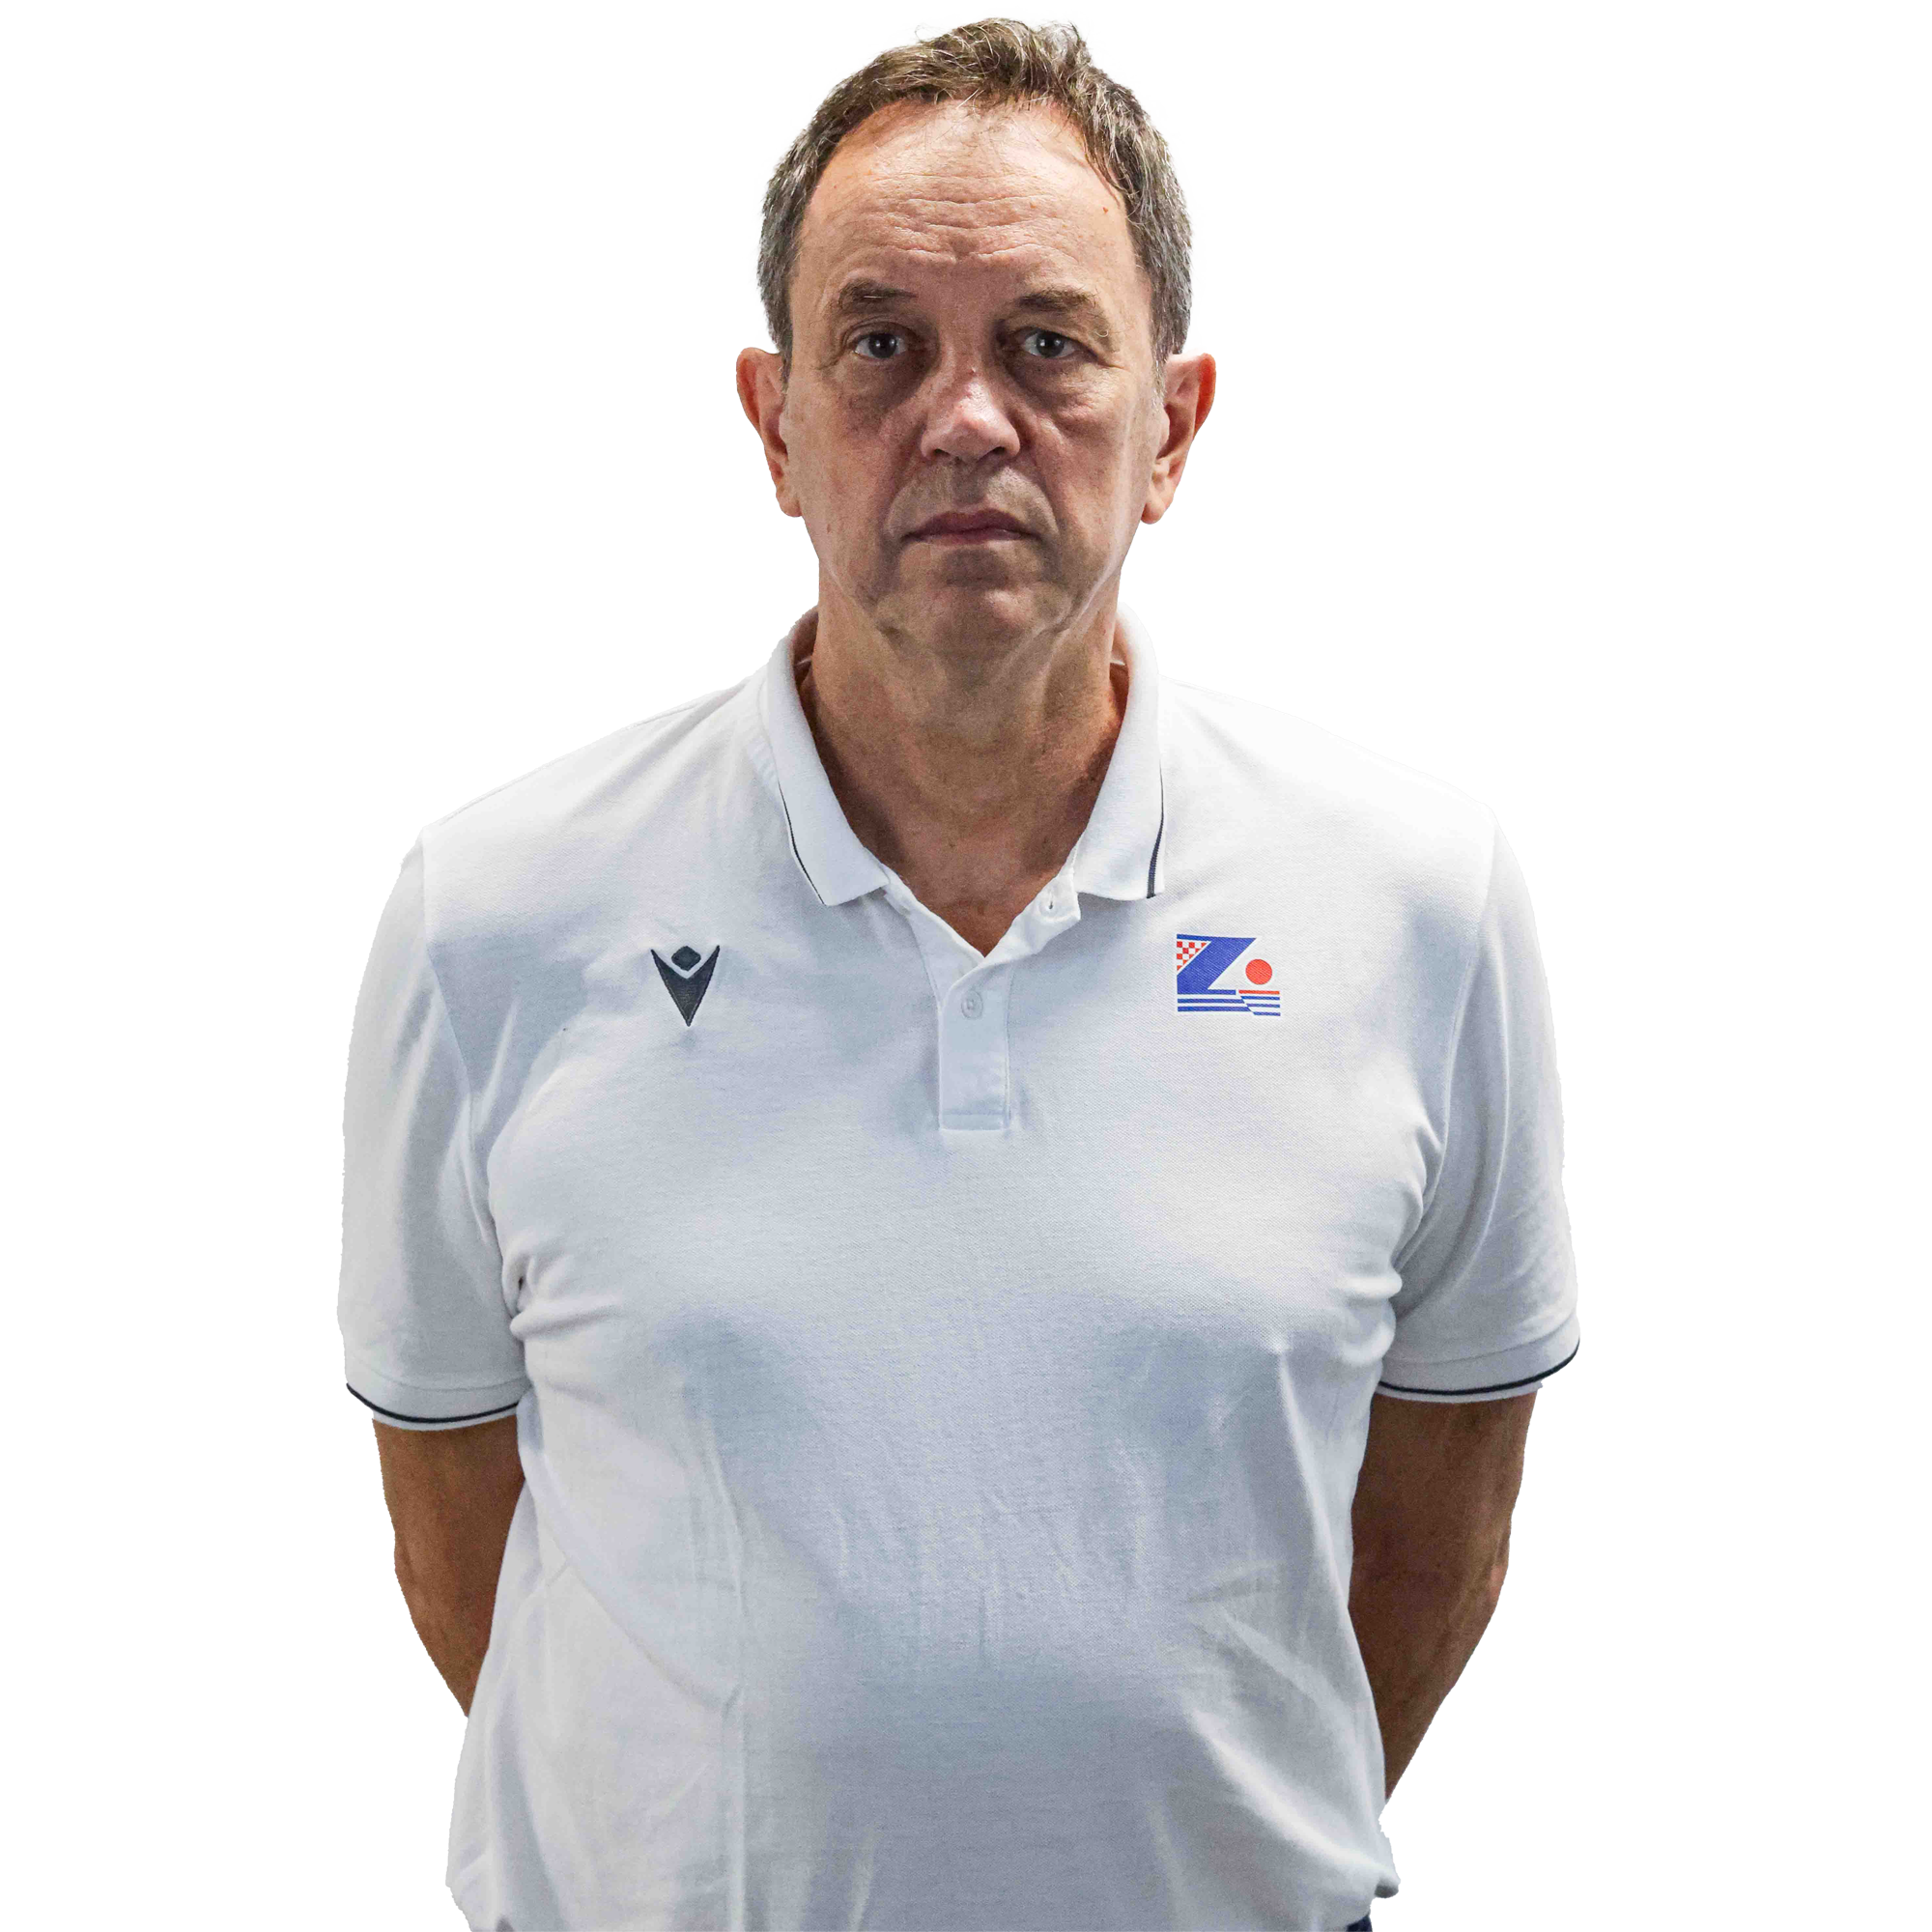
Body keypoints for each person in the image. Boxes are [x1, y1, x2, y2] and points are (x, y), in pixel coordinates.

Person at [339, 17, 1577, 1932]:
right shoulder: (496, 915)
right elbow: (454, 1534)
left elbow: (1443, 1528)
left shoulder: (1414, 897)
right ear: (776, 424)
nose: (968, 417)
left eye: (1049, 344)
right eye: (883, 344)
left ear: (1173, 427)